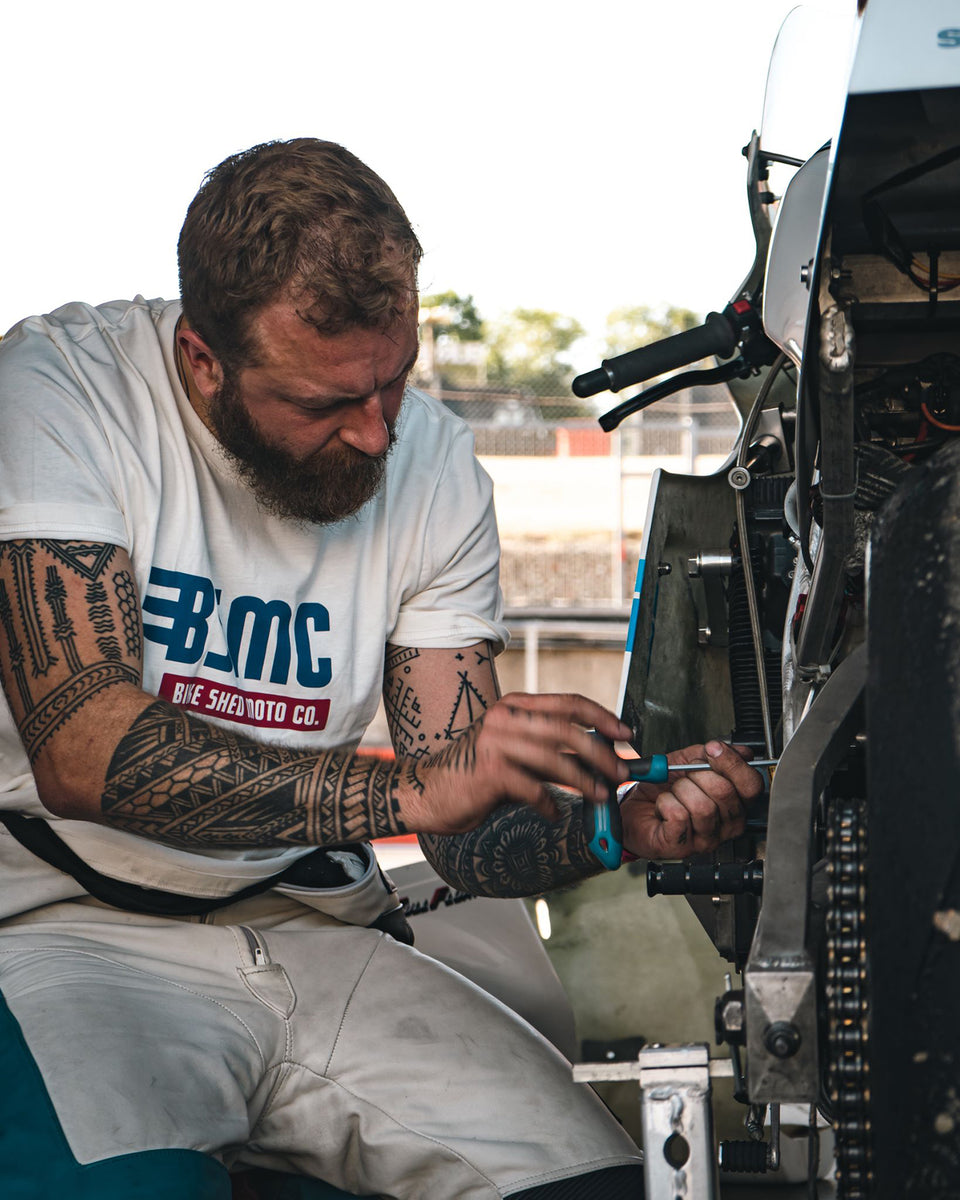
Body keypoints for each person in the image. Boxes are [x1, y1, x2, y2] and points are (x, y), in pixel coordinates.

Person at [0, 138, 762, 1199]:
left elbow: (465, 837)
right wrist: (411, 789)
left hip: (315, 922)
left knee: (594, 1185)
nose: (374, 434)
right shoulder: (61, 393)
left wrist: (612, 824)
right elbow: (83, 748)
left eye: (393, 382)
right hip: (67, 930)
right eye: (323, 405)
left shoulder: (436, 466)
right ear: (203, 359)